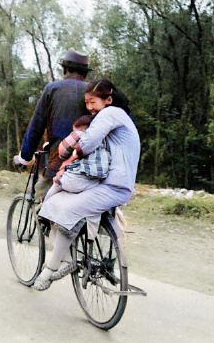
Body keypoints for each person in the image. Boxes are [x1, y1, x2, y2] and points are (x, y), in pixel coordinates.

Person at [33, 79, 139, 291]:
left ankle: (52, 268)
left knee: (68, 209)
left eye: (93, 102)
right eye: (87, 103)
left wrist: (71, 158)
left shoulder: (110, 113)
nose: (89, 107)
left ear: (108, 100)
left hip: (114, 186)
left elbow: (87, 143)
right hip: (109, 182)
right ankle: (71, 256)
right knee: (60, 200)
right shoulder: (119, 117)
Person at [13, 50, 92, 199]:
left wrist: (25, 157)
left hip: (58, 161)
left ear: (65, 69)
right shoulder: (94, 92)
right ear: (85, 73)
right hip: (89, 163)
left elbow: (36, 126)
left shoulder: (52, 89)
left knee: (43, 199)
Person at [43, 114, 110, 201]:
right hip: (97, 182)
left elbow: (62, 150)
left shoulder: (81, 133)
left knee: (57, 182)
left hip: (77, 178)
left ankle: (44, 205)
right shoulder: (104, 139)